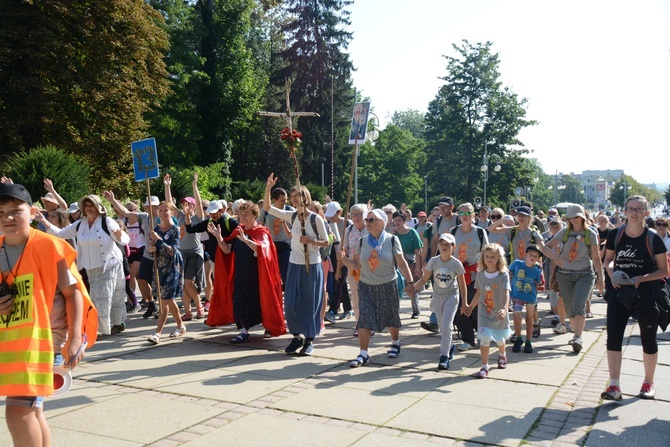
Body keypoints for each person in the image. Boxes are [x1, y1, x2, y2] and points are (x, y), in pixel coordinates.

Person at [0, 183, 93, 447]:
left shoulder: (51, 247)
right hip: (11, 344)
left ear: (31, 212)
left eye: (15, 210)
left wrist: (75, 338)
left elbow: (73, 292)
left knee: (18, 413)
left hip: (43, 342)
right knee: (31, 411)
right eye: (1, 211)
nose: (7, 217)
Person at [601, 195, 668, 401]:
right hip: (619, 290)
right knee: (613, 336)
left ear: (646, 212)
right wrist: (612, 274)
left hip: (646, 292)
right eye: (631, 208)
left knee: (648, 338)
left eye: (639, 209)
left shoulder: (653, 238)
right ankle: (614, 385)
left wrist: (642, 278)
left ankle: (648, 383)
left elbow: (663, 270)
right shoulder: (616, 235)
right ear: (625, 211)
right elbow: (608, 260)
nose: (634, 212)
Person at [38, 194, 129, 335]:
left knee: (111, 297)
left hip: (110, 265)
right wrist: (43, 221)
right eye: (86, 206)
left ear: (98, 207)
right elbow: (61, 233)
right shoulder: (81, 224)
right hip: (92, 268)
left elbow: (123, 239)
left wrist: (119, 235)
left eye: (91, 205)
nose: (89, 208)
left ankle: (113, 325)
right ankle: (104, 328)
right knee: (100, 299)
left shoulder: (107, 221)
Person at [337, 209, 415, 367]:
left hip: (388, 284)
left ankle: (395, 342)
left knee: (391, 316)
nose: (368, 223)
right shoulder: (362, 241)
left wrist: (410, 281)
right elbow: (356, 265)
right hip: (366, 285)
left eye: (371, 220)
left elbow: (401, 263)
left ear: (381, 222)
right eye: (367, 220)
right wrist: (343, 259)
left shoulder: (392, 240)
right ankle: (363, 353)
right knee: (364, 319)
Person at [263, 173, 329, 356]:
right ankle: (296, 336)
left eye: (295, 195)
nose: (292, 199)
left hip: (312, 265)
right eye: (291, 196)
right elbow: (268, 207)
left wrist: (312, 241)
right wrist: (268, 187)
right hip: (294, 264)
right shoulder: (291, 216)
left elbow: (326, 242)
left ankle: (309, 339)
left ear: (304, 198)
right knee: (290, 303)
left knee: (309, 304)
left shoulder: (316, 219)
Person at [208, 200, 285, 343]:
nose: (243, 217)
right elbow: (226, 250)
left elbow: (262, 250)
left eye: (246, 214)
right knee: (240, 300)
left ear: (255, 215)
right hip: (240, 274)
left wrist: (246, 241)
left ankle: (268, 325)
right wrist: (219, 237)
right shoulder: (238, 231)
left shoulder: (261, 231)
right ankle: (244, 331)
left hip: (259, 276)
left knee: (261, 301)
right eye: (241, 214)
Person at [544, 204, 603, 354]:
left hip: (584, 273)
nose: (573, 220)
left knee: (579, 304)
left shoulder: (590, 233)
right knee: (570, 307)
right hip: (564, 275)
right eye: (571, 217)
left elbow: (596, 257)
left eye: (576, 217)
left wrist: (601, 279)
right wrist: (555, 257)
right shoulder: (564, 232)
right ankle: (575, 331)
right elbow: (546, 247)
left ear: (582, 217)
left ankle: (578, 337)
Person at [412, 233, 466, 370]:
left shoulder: (456, 264)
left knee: (446, 325)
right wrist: (412, 288)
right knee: (442, 327)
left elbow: (462, 284)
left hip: (451, 297)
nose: (444, 247)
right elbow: (424, 279)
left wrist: (465, 303)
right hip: (437, 297)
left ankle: (444, 356)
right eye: (442, 244)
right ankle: (450, 345)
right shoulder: (434, 261)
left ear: (453, 247)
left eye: (447, 244)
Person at [104, 191, 161, 319]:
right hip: (147, 254)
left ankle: (163, 307)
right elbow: (125, 213)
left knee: (159, 282)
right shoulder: (144, 217)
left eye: (154, 206)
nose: (152, 209)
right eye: (149, 206)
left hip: (161, 255)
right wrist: (113, 200)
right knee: (141, 279)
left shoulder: (165, 217)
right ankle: (151, 303)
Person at [462, 243, 511, 378]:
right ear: (483, 258)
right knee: (484, 338)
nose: (489, 259)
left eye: (493, 257)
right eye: (487, 256)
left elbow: (507, 293)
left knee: (499, 339)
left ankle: (502, 355)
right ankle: (484, 366)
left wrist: (505, 309)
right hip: (484, 311)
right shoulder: (480, 274)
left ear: (499, 259)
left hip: (498, 311)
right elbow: (478, 293)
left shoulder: (503, 275)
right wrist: (471, 306)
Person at [163, 173, 206, 321]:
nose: (185, 206)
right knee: (183, 285)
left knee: (188, 282)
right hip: (181, 253)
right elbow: (169, 203)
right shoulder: (180, 216)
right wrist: (167, 186)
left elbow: (200, 205)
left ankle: (199, 306)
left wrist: (195, 186)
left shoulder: (198, 218)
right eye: (184, 203)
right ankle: (188, 312)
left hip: (194, 253)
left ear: (193, 206)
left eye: (188, 203)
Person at [146, 202, 186, 344]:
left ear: (171, 212)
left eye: (166, 210)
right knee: (168, 299)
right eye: (160, 210)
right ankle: (181, 326)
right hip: (160, 266)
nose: (163, 213)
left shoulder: (175, 229)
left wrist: (158, 240)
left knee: (164, 300)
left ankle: (157, 333)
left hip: (173, 265)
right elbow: (153, 251)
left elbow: (172, 251)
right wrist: (152, 249)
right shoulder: (154, 230)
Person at [451, 202, 489, 351]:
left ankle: (481, 333)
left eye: (468, 213)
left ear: (474, 215)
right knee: (460, 306)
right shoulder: (453, 232)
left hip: (475, 274)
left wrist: (486, 272)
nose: (465, 216)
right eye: (462, 213)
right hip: (458, 274)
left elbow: (487, 252)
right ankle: (467, 339)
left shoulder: (480, 232)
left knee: (475, 306)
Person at [337, 203, 368, 330]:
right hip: (353, 268)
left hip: (368, 268)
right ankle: (359, 324)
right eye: (353, 214)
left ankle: (369, 323)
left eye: (359, 214)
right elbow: (344, 249)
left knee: (367, 296)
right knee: (355, 295)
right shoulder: (348, 230)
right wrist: (339, 268)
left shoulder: (371, 229)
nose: (356, 217)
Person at [508, 245, 543, 354]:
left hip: (530, 298)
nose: (532, 257)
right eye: (530, 254)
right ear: (525, 254)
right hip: (517, 296)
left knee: (529, 319)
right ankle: (518, 338)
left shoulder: (537, 271)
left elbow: (538, 283)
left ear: (538, 259)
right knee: (517, 318)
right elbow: (507, 272)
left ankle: (528, 341)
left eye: (536, 256)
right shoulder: (517, 264)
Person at [259, 187, 293, 288]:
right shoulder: (265, 211)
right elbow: (260, 226)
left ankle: (288, 298)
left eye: (286, 200)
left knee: (287, 275)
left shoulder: (290, 210)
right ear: (274, 200)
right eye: (282, 200)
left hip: (286, 245)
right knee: (272, 275)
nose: (285, 202)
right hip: (271, 245)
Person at [392, 210, 423, 318]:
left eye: (399, 220)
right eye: (395, 220)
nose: (397, 222)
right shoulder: (393, 234)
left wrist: (418, 267)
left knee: (412, 287)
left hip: (411, 262)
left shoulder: (412, 233)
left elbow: (417, 251)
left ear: (404, 220)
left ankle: (416, 310)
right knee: (396, 288)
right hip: (397, 264)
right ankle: (394, 311)